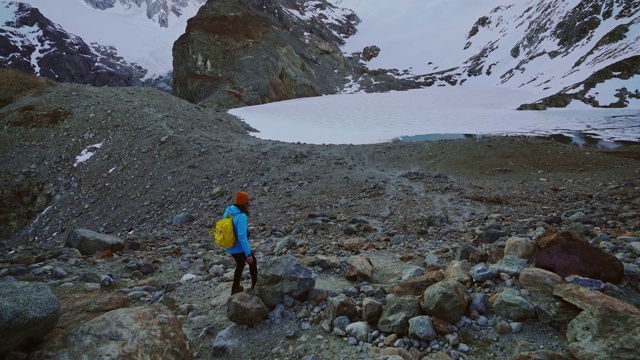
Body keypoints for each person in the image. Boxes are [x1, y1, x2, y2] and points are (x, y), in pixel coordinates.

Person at [223, 191, 257, 295]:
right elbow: (242, 237)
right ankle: (255, 287)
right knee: (253, 262)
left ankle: (235, 288)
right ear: (245, 203)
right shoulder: (241, 216)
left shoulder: (228, 210)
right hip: (238, 246)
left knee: (241, 263)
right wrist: (248, 254)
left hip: (229, 245)